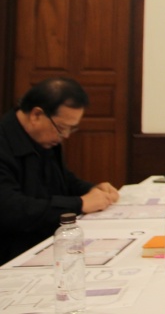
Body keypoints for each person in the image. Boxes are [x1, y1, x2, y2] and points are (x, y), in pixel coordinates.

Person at [0, 77, 120, 264]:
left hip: (46, 245)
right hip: (12, 254)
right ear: (36, 115)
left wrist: (92, 189)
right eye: (62, 128)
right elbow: (11, 209)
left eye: (71, 129)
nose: (65, 136)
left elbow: (62, 180)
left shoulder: (44, 138)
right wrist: (79, 204)